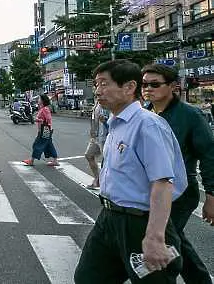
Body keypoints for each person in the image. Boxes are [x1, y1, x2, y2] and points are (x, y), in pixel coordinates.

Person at [75, 60, 188, 284]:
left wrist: (155, 237)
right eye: (96, 85)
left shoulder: (148, 125)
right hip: (109, 218)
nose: (98, 91)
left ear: (129, 87)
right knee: (88, 278)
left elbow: (163, 182)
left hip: (138, 222)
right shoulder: (115, 123)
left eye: (104, 84)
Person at [141, 64, 213, 283]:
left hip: (181, 190)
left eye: (155, 84)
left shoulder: (190, 115)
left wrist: (211, 195)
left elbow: (209, 154)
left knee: (164, 240)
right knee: (174, 239)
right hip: (153, 190)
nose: (148, 89)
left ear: (173, 87)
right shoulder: (144, 113)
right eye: (145, 84)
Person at [22, 94, 59, 166]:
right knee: (49, 145)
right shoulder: (42, 109)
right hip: (46, 130)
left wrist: (38, 120)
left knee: (37, 144)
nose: (38, 100)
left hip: (44, 130)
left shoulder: (45, 109)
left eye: (39, 99)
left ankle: (31, 161)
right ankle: (55, 161)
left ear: (42, 100)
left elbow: (48, 119)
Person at [84, 100, 109, 189]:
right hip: (96, 136)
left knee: (107, 162)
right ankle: (97, 178)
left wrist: (105, 121)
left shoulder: (109, 100)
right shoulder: (97, 101)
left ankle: (103, 183)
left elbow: (112, 121)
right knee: (89, 155)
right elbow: (94, 118)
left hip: (105, 136)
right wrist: (92, 130)